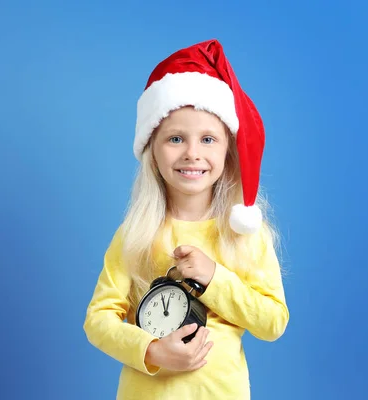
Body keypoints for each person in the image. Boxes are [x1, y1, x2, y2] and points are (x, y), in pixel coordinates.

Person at [83, 39, 289, 399]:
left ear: (228, 152)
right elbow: (98, 320)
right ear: (152, 151)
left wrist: (214, 277)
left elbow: (273, 322)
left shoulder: (244, 234)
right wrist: (151, 351)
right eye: (175, 138)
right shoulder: (135, 235)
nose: (192, 153)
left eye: (208, 139)